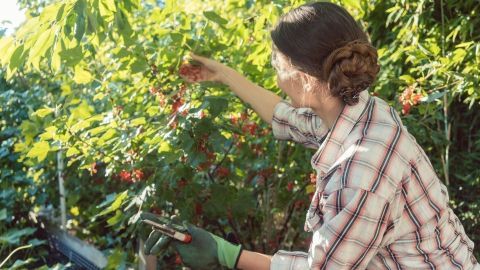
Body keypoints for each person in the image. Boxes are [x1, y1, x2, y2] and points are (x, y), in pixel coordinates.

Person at [140, 2, 478, 269]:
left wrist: (227, 254)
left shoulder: (360, 171)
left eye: (277, 62)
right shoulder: (360, 110)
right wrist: (223, 74)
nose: (274, 71)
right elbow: (286, 117)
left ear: (302, 78)